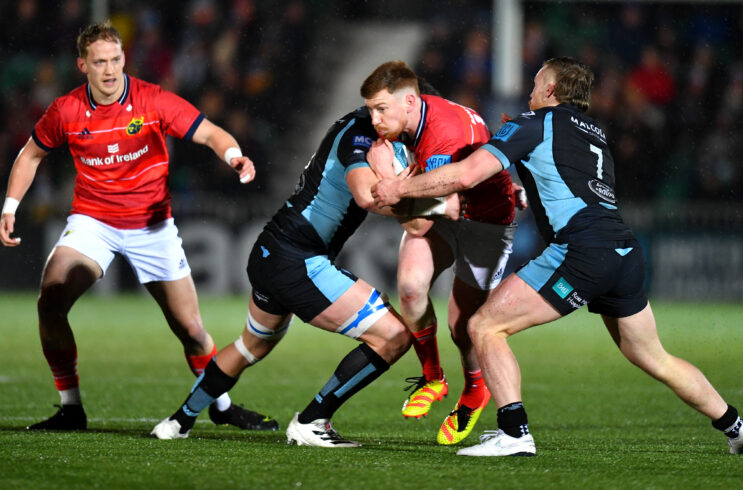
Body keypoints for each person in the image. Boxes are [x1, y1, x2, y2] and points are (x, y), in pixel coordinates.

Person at [371, 57, 743, 457]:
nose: (530, 90)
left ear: (550, 90)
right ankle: (737, 426)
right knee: (653, 356)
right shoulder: (594, 132)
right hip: (624, 250)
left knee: (485, 326)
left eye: (536, 82)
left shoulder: (534, 122)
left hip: (582, 249)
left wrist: (399, 190)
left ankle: (514, 434)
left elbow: (466, 175)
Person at [0, 21, 276, 432]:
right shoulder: (66, 110)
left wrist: (233, 156)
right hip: (93, 222)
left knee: (191, 330)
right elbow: (30, 155)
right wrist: (10, 207)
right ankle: (71, 408)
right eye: (99, 62)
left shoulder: (153, 100)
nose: (110, 70)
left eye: (116, 60)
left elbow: (210, 134)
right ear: (82, 65)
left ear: (124, 59)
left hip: (152, 227)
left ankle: (221, 406)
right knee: (51, 297)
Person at [150, 104, 463, 446]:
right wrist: (438, 204)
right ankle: (312, 421)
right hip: (298, 259)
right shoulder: (363, 140)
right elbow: (389, 208)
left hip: (271, 250)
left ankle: (178, 421)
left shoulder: (355, 126)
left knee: (251, 345)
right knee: (394, 336)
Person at [360, 61, 520, 445]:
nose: (374, 120)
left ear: (409, 102)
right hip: (449, 210)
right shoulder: (419, 114)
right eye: (371, 110)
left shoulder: (441, 137)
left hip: (486, 223)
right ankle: (433, 378)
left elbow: (418, 223)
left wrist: (386, 177)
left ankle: (475, 390)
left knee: (462, 328)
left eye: (381, 109)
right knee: (411, 288)